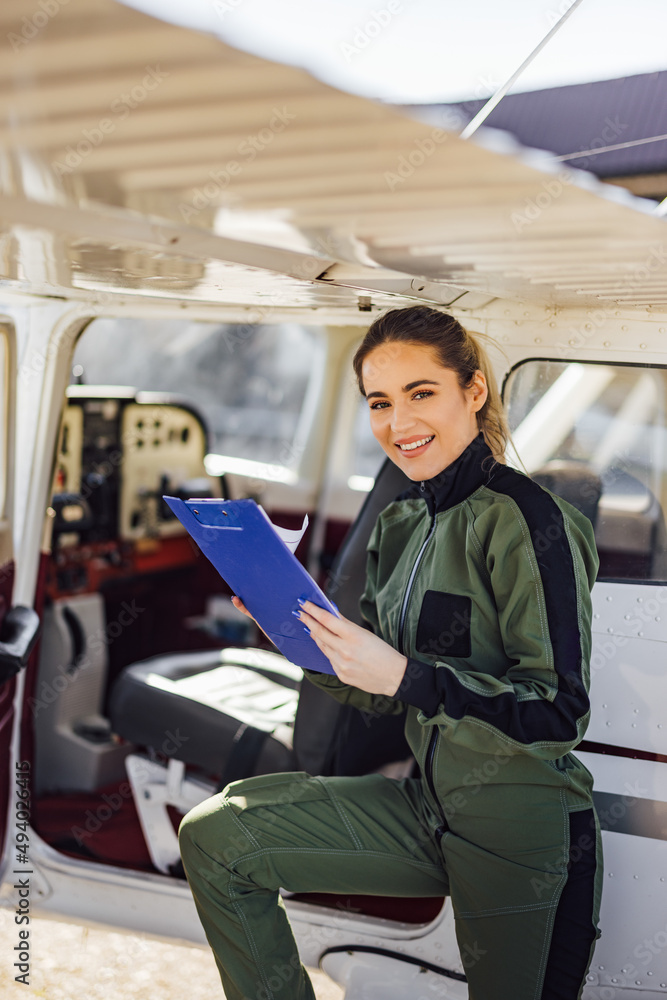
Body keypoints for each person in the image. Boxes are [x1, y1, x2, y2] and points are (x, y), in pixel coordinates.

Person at [178, 305, 603, 1000]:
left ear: (473, 392)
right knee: (219, 836)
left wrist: (412, 676)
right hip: (427, 808)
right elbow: (378, 687)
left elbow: (557, 712)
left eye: (420, 394)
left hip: (522, 828)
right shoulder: (402, 523)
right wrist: (299, 636)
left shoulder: (527, 520)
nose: (398, 423)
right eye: (379, 402)